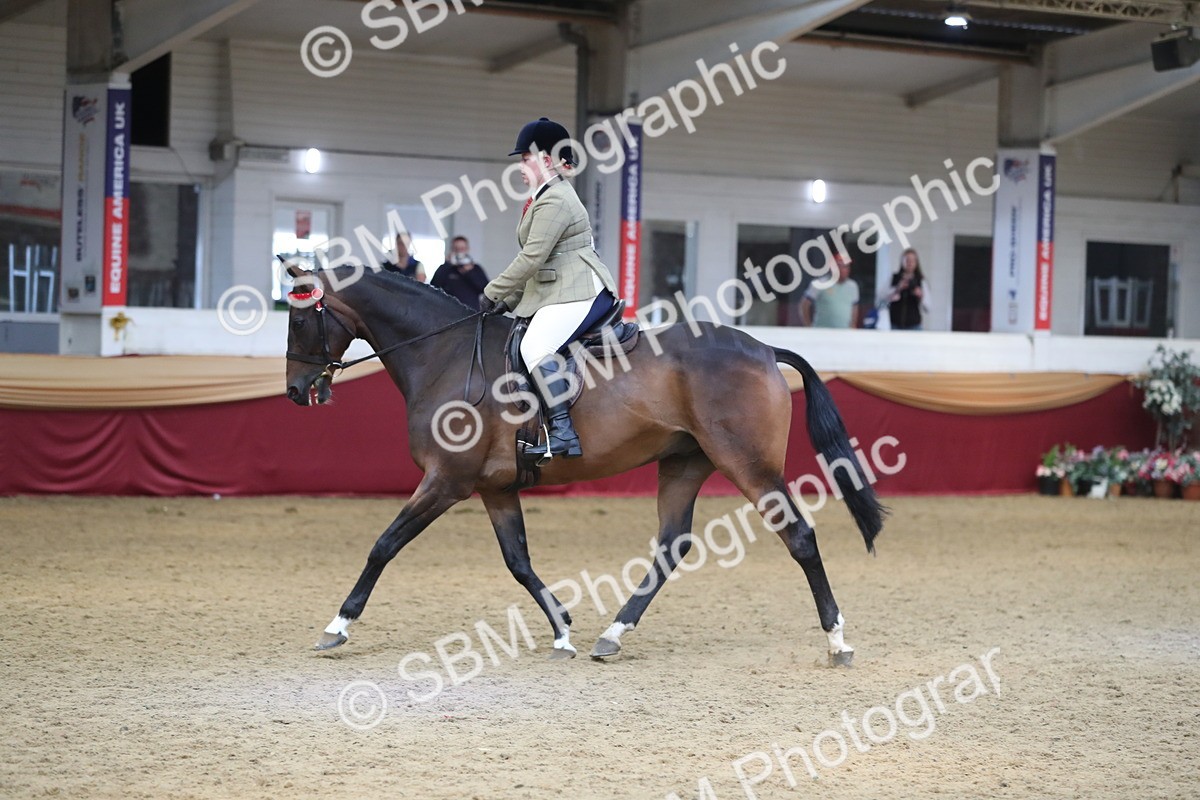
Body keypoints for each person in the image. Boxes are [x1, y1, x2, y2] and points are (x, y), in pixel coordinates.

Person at [480, 117, 619, 460]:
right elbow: (540, 264)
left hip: (580, 290)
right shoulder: (543, 196)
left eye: (525, 158)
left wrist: (493, 291)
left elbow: (532, 258)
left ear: (545, 159)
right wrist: (508, 300)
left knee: (536, 347)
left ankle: (563, 432)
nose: (520, 166)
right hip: (560, 287)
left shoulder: (556, 199)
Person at [800, 253, 859, 328]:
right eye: (840, 266)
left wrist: (853, 327)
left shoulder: (853, 286)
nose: (844, 269)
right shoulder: (820, 283)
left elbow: (854, 308)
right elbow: (804, 304)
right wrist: (808, 326)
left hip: (844, 332)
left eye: (846, 266)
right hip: (822, 331)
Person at [430, 236, 489, 308]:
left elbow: (485, 289)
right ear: (452, 250)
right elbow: (434, 286)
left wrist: (469, 272)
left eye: (462, 249)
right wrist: (447, 264)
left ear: (467, 249)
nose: (459, 251)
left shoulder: (475, 268)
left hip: (470, 311)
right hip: (448, 309)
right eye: (456, 249)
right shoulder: (445, 268)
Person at [887, 248, 926, 330]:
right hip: (895, 324)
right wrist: (898, 288)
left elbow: (928, 307)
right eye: (907, 260)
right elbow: (882, 297)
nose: (910, 263)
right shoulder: (893, 278)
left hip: (914, 325)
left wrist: (921, 296)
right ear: (902, 261)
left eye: (912, 260)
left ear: (916, 263)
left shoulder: (921, 280)